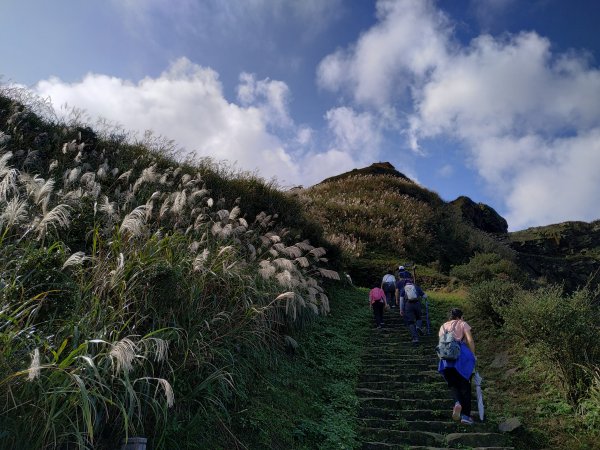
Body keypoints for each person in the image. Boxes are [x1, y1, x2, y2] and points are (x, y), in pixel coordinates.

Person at [437, 308, 476, 425]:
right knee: (465, 386)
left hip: (446, 360)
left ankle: (457, 403)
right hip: (461, 357)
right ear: (460, 316)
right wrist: (473, 355)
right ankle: (465, 416)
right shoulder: (462, 324)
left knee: (453, 385)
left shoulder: (443, 326)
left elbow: (441, 343)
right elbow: (470, 340)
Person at [398, 278, 427, 343]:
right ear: (412, 282)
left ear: (405, 283)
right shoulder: (416, 287)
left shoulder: (403, 288)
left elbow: (401, 300)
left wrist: (401, 309)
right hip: (417, 304)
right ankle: (418, 326)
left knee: (410, 322)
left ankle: (415, 338)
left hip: (408, 305)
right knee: (419, 318)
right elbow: (425, 296)